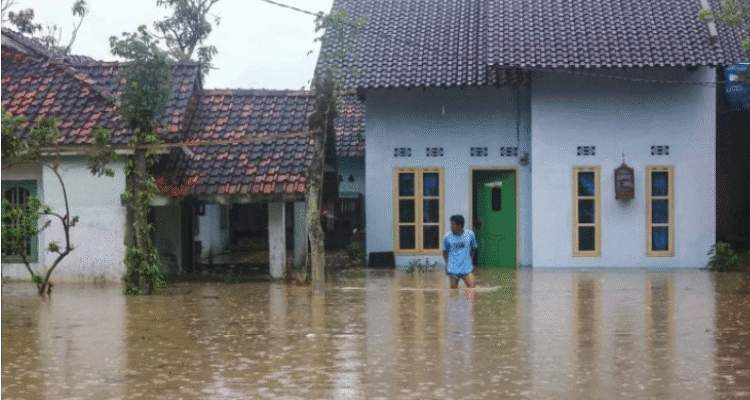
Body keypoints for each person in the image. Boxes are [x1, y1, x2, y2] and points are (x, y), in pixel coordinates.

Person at [443, 214, 477, 289]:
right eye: (451, 224)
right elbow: (445, 252)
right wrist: (446, 265)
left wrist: (471, 261)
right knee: (453, 291)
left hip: (467, 268)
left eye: (453, 225)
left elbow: (474, 248)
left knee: (472, 288)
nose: (451, 227)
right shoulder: (447, 236)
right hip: (453, 268)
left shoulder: (470, 234)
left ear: (459, 226)